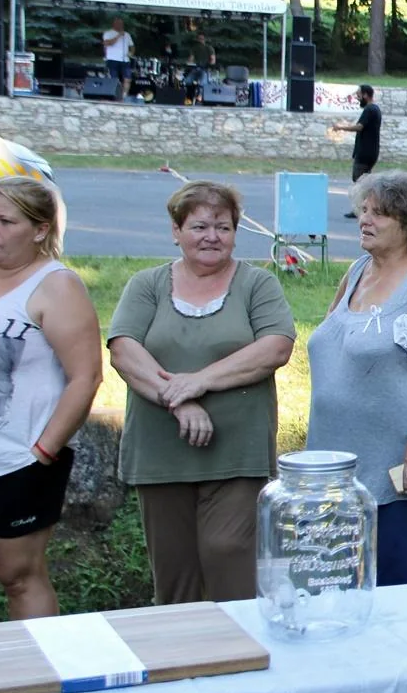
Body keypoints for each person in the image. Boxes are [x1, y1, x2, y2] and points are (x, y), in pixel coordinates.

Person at [108, 181, 296, 604]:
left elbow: (275, 347)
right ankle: (184, 665)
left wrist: (200, 380)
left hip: (237, 455)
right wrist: (180, 400)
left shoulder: (257, 285)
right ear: (176, 231)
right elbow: (124, 350)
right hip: (161, 455)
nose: (212, 236)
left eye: (223, 227)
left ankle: (244, 658)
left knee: (229, 556)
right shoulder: (147, 285)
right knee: (175, 577)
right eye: (199, 226)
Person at [307, 172, 407, 586]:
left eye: (380, 213)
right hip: (336, 462)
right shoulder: (358, 271)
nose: (365, 219)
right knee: (338, 583)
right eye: (363, 210)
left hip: (397, 467)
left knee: (398, 586)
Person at [0, 177, 102, 619]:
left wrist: (43, 450)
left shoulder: (56, 287)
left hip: (19, 460)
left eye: (4, 221)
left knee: (18, 576)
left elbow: (85, 376)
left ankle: (38, 677)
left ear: (39, 230)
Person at [332, 84, 383, 218]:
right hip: (370, 151)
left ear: (366, 95)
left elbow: (359, 127)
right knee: (364, 180)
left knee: (359, 180)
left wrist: (341, 128)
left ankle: (361, 209)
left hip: (365, 151)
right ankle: (366, 208)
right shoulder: (374, 109)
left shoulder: (370, 109)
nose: (357, 98)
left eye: (359, 95)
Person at [102, 17, 133, 101]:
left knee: (128, 78)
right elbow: (107, 43)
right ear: (114, 24)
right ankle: (114, 96)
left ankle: (124, 96)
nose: (120, 25)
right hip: (112, 59)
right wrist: (118, 35)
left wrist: (131, 53)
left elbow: (132, 46)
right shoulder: (108, 33)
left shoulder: (127, 34)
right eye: (118, 24)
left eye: (121, 24)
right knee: (114, 79)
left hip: (125, 60)